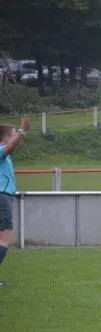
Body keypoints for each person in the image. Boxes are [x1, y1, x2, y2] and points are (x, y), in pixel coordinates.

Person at [0, 117, 29, 286]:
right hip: (3, 197)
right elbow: (9, 147)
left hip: (4, 197)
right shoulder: (1, 151)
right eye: (12, 134)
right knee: (4, 241)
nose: (15, 137)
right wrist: (22, 132)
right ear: (5, 138)